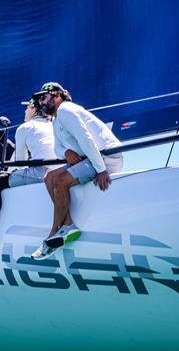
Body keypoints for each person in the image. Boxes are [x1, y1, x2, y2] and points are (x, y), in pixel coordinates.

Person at [31, 82, 123, 260]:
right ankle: (68, 225)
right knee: (49, 177)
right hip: (91, 158)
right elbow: (57, 147)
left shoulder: (66, 110)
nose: (41, 103)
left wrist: (101, 170)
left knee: (59, 181)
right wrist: (66, 152)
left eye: (43, 97)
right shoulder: (57, 119)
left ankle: (53, 234)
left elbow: (86, 139)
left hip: (107, 158)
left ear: (57, 95)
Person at [0, 98, 57, 244]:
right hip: (59, 170)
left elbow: (20, 162)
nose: (24, 112)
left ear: (33, 109)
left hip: (41, 173)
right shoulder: (55, 125)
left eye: (27, 108)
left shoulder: (24, 127)